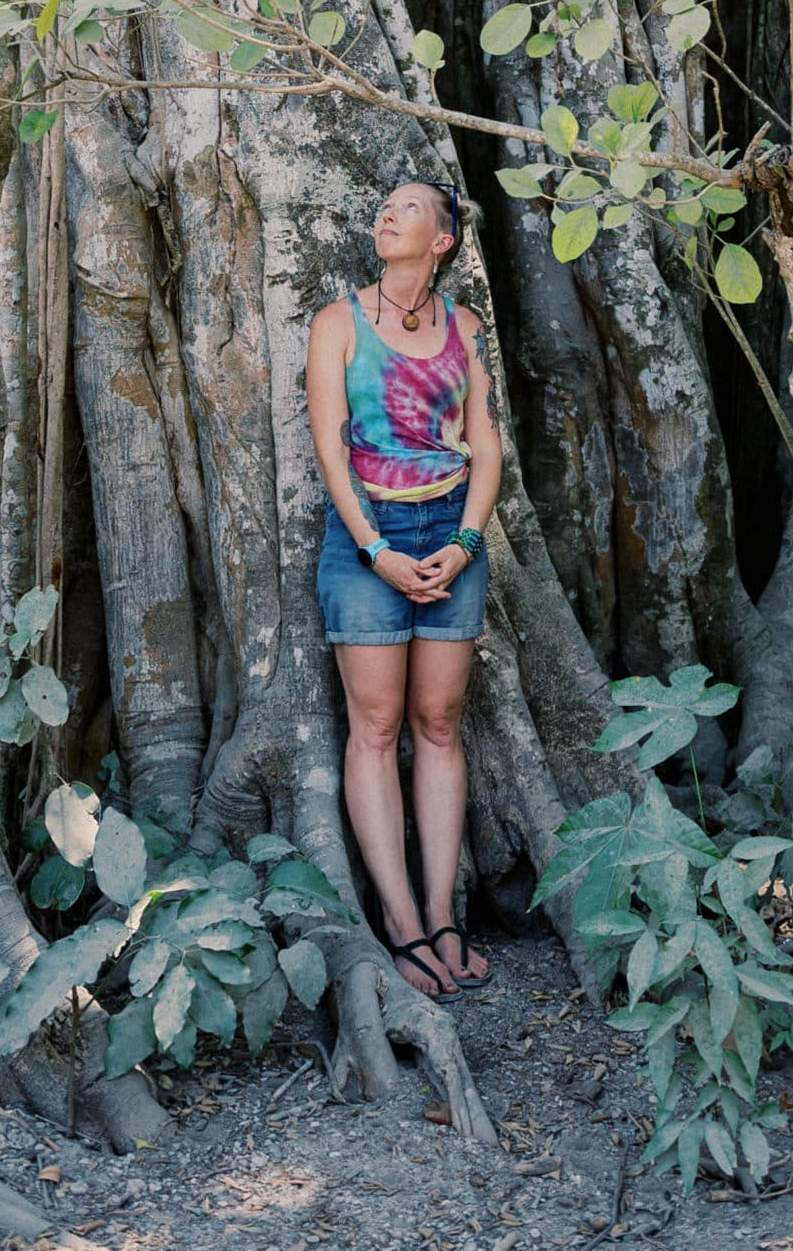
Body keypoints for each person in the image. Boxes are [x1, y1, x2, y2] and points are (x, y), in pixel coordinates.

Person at [306, 179, 502, 1000]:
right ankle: (399, 921)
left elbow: (487, 449)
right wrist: (376, 548)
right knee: (378, 725)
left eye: (409, 208)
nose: (387, 215)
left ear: (444, 240)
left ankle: (440, 909)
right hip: (368, 543)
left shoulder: (464, 327)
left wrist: (464, 544)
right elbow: (329, 447)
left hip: (450, 534)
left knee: (439, 722)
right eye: (383, 206)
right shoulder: (338, 323)